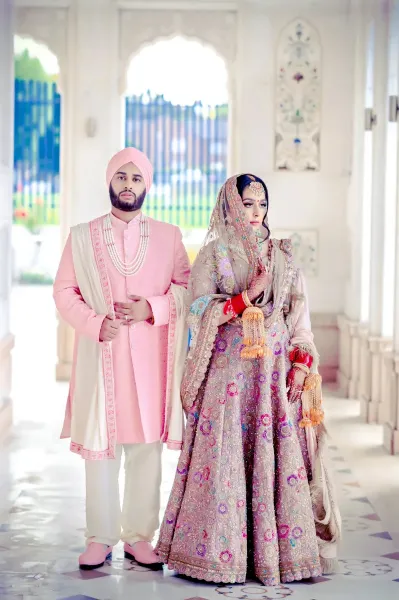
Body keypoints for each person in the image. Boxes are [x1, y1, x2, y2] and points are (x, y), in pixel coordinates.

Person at [155, 174, 341, 586]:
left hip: (272, 380)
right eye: (246, 204)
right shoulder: (212, 256)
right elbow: (198, 310)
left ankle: (277, 556)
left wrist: (299, 363)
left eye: (261, 204)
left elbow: (299, 320)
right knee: (225, 462)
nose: (255, 213)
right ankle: (219, 557)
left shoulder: (284, 257)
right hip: (227, 381)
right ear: (230, 206)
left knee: (273, 458)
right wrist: (243, 298)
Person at [53, 147, 190, 570]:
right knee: (102, 450)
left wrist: (153, 308)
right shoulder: (82, 236)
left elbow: (187, 290)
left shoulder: (169, 237)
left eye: (136, 178)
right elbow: (63, 291)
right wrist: (95, 323)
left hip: (151, 363)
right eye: (121, 177)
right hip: (103, 358)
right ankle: (100, 538)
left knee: (147, 451)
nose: (128, 185)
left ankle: (138, 538)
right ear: (110, 182)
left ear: (147, 185)